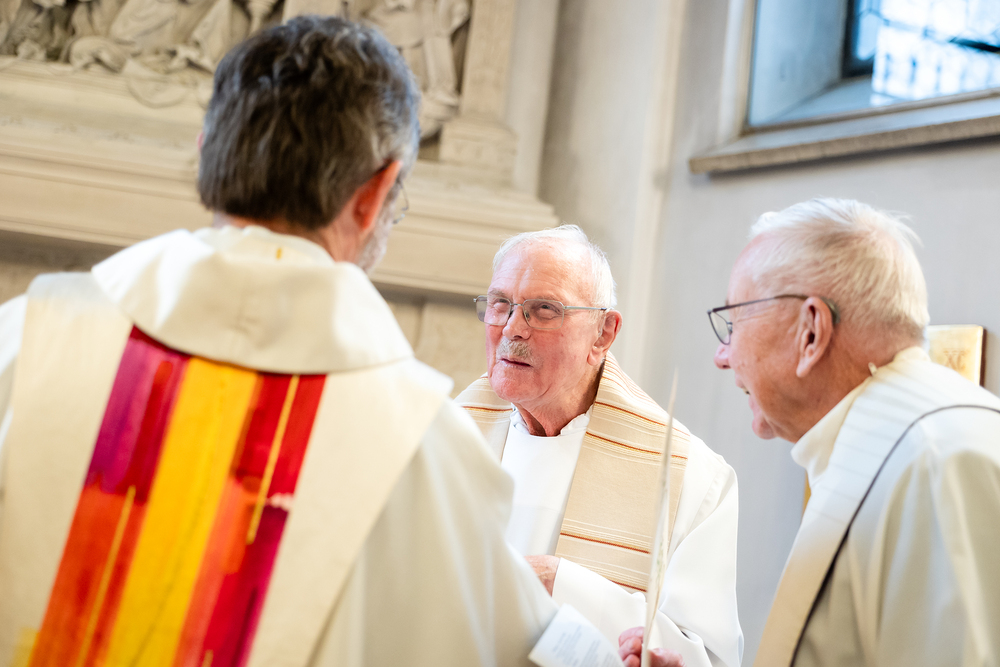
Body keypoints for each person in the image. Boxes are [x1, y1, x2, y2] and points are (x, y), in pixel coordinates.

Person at [0, 16, 557, 667]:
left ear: (208, 151)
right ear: (375, 194)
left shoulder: (27, 338)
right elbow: (514, 645)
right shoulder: (423, 448)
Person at [711, 198, 1000, 667]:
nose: (722, 356)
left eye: (734, 323)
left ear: (811, 332)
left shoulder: (933, 460)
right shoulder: (894, 440)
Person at [457, 226, 743, 667]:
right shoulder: (442, 438)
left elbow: (706, 657)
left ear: (603, 334)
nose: (512, 328)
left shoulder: (691, 477)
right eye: (500, 304)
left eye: (544, 310)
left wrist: (561, 584)